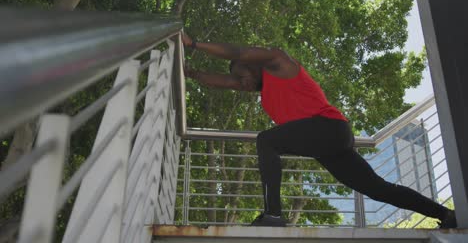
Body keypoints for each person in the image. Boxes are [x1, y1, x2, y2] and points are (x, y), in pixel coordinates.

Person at [181, 34, 457, 228]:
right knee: (377, 189)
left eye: (243, 74)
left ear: (254, 64)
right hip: (329, 143)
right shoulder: (263, 91)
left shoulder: (279, 61)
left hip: (330, 129)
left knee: (266, 141)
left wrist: (193, 44)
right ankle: (444, 214)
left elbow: (239, 52)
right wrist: (191, 73)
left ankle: (274, 215)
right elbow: (221, 81)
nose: (241, 82)